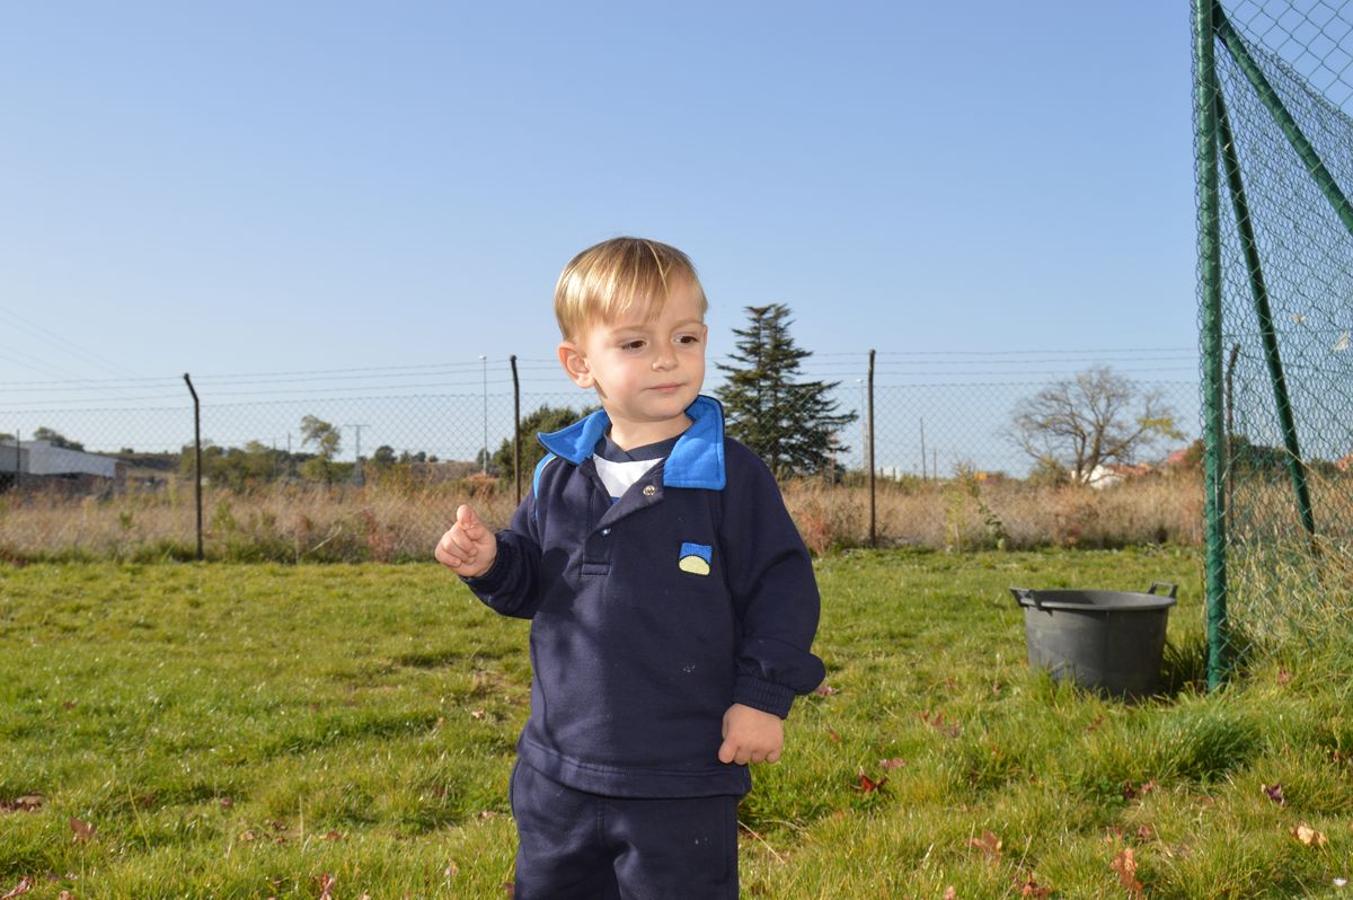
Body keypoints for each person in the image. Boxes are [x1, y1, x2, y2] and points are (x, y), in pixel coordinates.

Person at [434, 236, 826, 899]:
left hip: (683, 774)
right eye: (636, 344)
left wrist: (761, 698)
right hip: (557, 769)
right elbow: (533, 583)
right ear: (579, 363)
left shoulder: (731, 476)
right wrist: (492, 561)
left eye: (685, 338)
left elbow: (781, 591)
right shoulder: (560, 476)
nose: (667, 359)